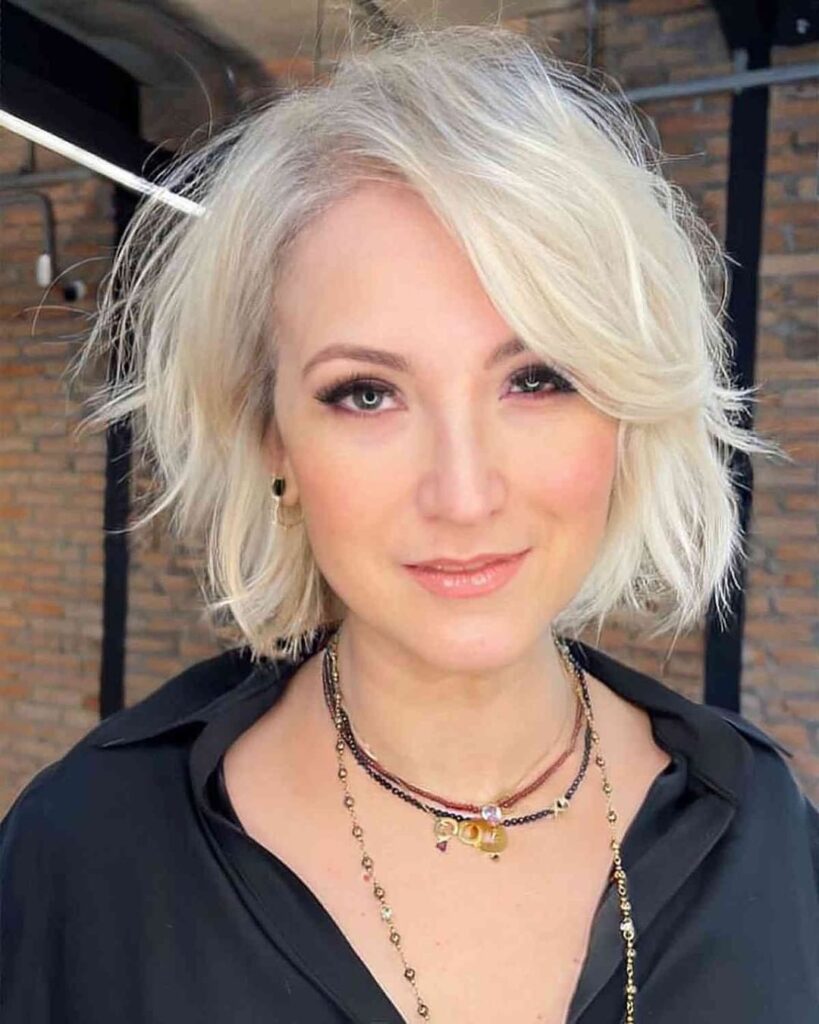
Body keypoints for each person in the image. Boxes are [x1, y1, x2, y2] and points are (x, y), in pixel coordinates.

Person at [1, 22, 817, 1024]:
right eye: (366, 394)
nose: (464, 493)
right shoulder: (85, 858)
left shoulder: (764, 834)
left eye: (538, 377)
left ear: (625, 406)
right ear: (272, 440)